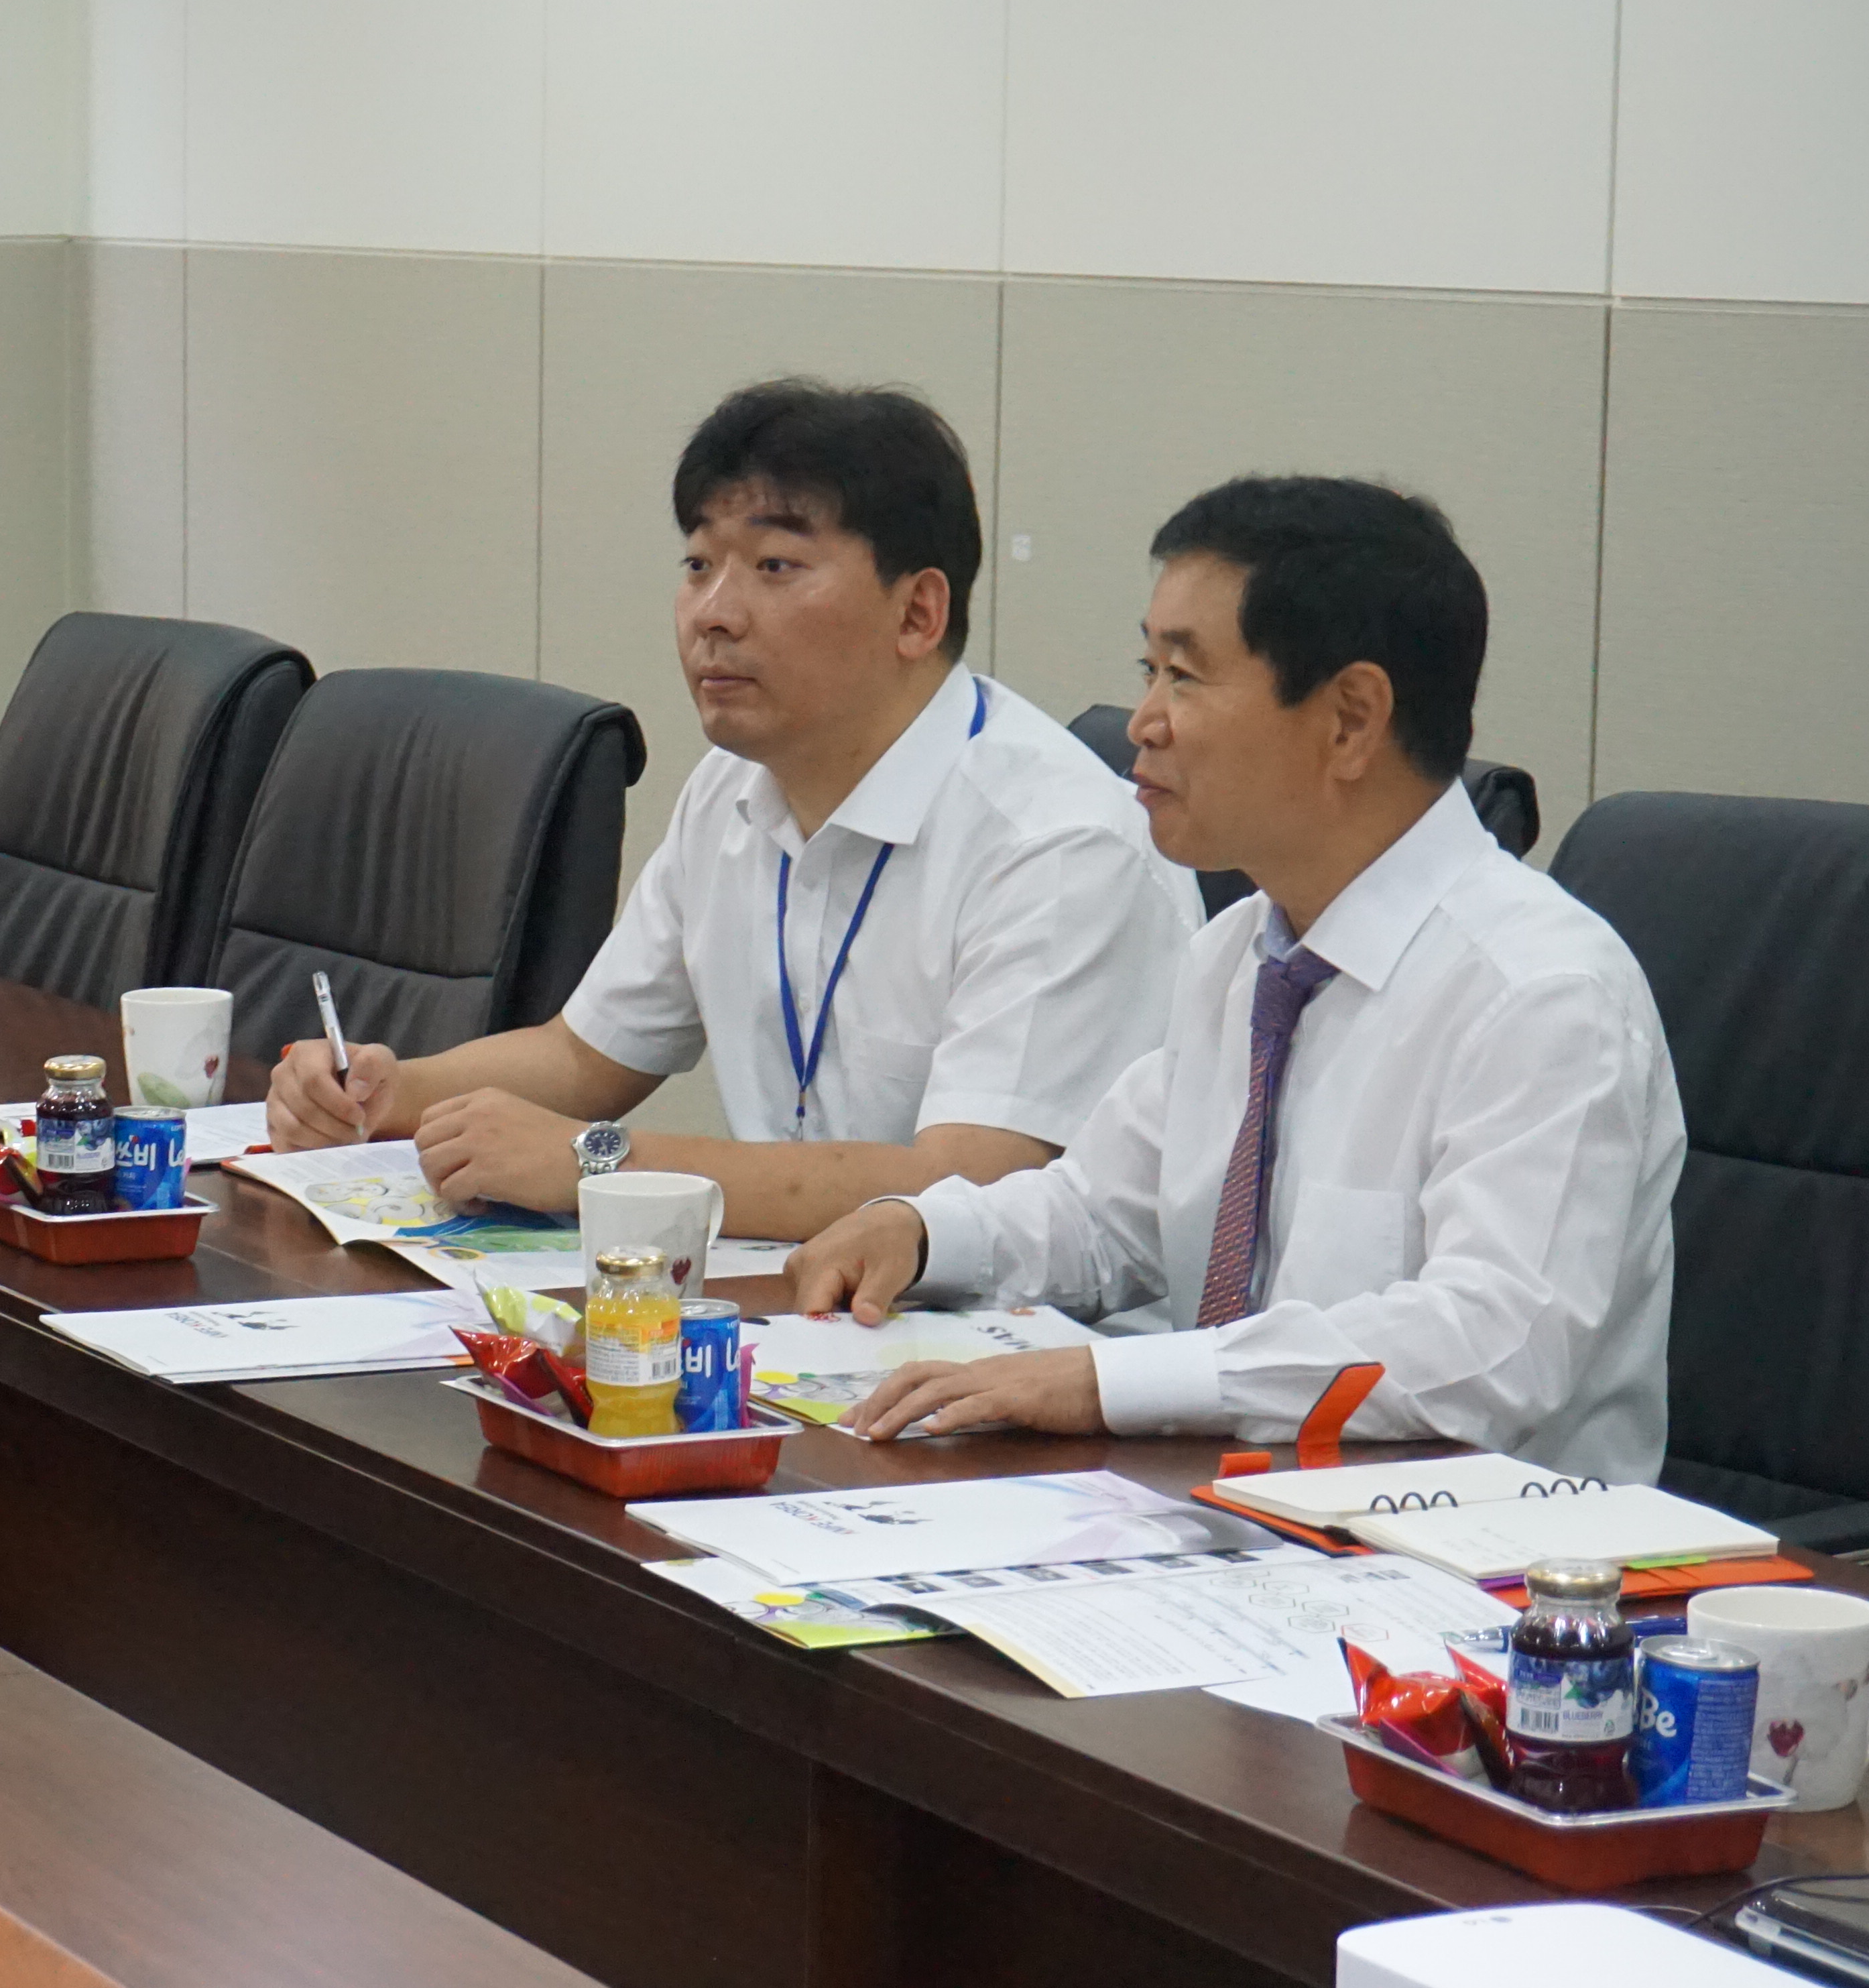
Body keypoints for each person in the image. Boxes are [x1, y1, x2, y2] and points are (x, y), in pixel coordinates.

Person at [790, 477, 1682, 1482]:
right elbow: (1106, 1209)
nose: (1143, 722)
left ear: (1351, 720)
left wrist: (1117, 1382)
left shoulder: (1541, 993)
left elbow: (1492, 1349)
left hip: (1480, 1553)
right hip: (1235, 1516)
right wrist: (923, 1231)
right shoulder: (1243, 951)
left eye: (1184, 676)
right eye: (1149, 669)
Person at [263, 380, 1194, 1238]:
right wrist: (387, 1090)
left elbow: (968, 1184)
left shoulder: (1057, 845)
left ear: (917, 613)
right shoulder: (732, 790)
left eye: (775, 566)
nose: (714, 611)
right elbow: (586, 1058)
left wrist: (597, 1161)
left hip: (1008, 1334)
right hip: (800, 1304)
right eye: (698, 563)